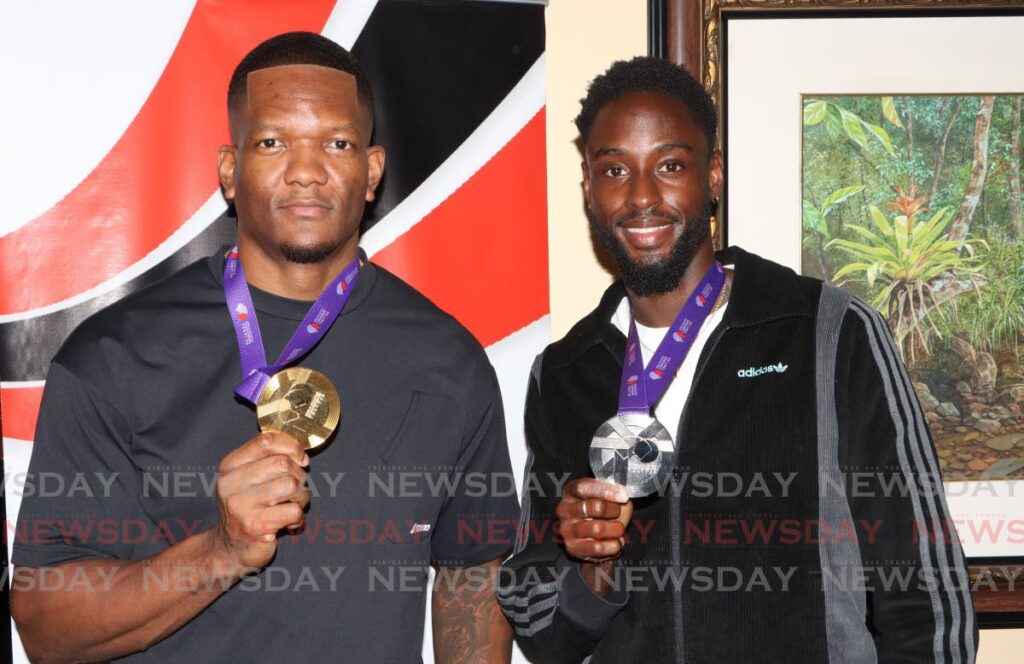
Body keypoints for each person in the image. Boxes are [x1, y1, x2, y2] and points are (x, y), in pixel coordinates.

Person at [11, 32, 517, 663]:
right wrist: (219, 550)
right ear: (230, 170)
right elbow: (44, 626)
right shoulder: (113, 358)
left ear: (373, 171)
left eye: (336, 143)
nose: (306, 170)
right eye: (274, 142)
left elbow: (470, 585)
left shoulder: (450, 362)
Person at [498, 56, 977, 663]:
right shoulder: (564, 373)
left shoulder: (827, 332)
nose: (642, 195)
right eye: (615, 169)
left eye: (670, 165)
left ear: (714, 175)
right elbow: (544, 637)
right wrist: (593, 568)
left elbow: (927, 602)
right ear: (590, 189)